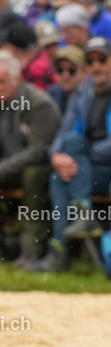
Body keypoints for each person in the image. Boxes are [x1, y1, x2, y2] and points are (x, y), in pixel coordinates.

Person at [0, 51, 61, 266]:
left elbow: (39, 151)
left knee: (32, 175)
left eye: (2, 82)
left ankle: (31, 248)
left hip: (40, 167)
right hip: (5, 167)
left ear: (17, 79)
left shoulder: (38, 103)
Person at [26, 37, 111, 272]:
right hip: (86, 169)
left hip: (104, 166)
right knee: (59, 173)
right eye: (91, 61)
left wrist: (82, 155)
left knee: (74, 149)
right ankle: (62, 244)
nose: (96, 67)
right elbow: (63, 133)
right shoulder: (82, 94)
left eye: (102, 60)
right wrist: (55, 156)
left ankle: (59, 254)